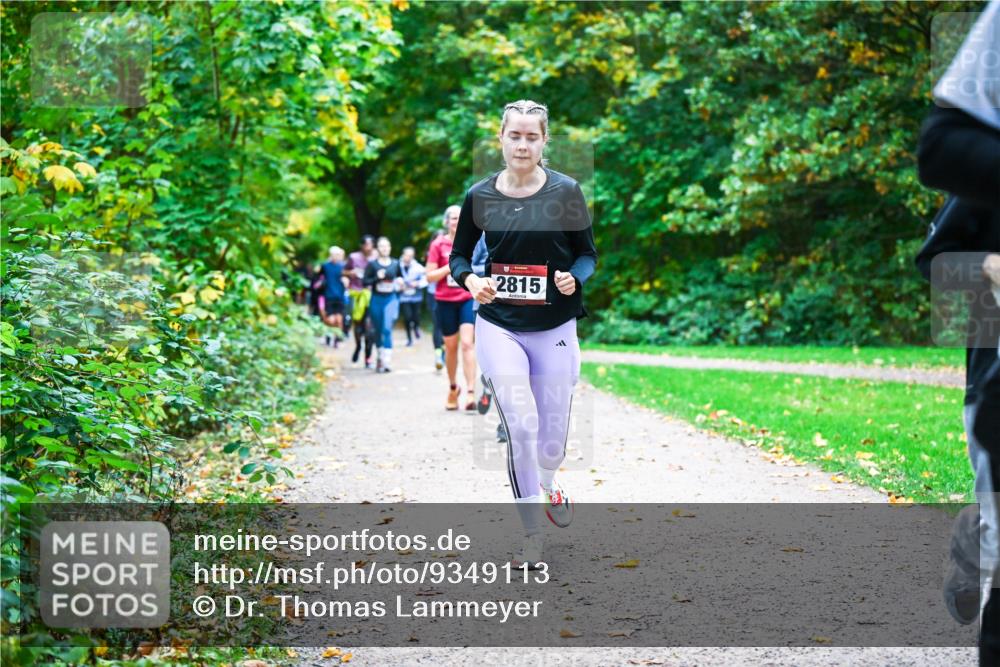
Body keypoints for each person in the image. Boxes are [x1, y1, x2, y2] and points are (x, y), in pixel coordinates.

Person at [449, 100, 597, 568]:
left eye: (532, 136)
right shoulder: (480, 196)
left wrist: (575, 277)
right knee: (521, 424)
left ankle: (549, 482)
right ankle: (531, 535)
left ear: (544, 141)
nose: (523, 144)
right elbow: (458, 259)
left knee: (551, 437)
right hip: (499, 324)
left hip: (555, 324)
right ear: (501, 138)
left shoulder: (566, 191)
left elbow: (587, 254)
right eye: (515, 135)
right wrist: (472, 281)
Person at [916, 3, 1000, 663]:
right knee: (986, 418)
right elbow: (942, 149)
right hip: (971, 261)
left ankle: (981, 532)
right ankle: (983, 533)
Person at [427, 206, 478, 410]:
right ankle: (453, 387)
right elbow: (429, 276)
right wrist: (452, 266)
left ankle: (471, 392)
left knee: (467, 343)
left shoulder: (474, 242)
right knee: (451, 347)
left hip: (466, 297)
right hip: (445, 300)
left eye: (461, 218)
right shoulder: (438, 244)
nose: (458, 221)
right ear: (447, 222)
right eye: (454, 218)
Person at [472, 232, 508, 444]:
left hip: (527, 310)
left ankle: (487, 385)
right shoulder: (482, 235)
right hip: (490, 309)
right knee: (502, 369)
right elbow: (467, 266)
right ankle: (505, 423)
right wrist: (491, 272)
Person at [363, 237, 404, 373]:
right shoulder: (372, 265)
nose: (384, 248)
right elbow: (365, 282)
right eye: (381, 246)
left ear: (390, 248)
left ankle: (387, 361)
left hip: (390, 299)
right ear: (377, 248)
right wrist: (377, 278)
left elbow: (400, 277)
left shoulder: (395, 263)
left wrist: (400, 282)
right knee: (378, 330)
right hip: (376, 299)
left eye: (386, 246)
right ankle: (380, 357)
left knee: (387, 329)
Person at [346, 235, 377, 368]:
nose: (368, 247)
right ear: (362, 246)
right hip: (357, 294)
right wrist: (351, 273)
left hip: (372, 295)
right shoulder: (353, 257)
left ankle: (368, 357)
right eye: (366, 245)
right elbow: (343, 272)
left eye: (371, 245)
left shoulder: (377, 257)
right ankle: (358, 346)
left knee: (370, 329)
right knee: (358, 327)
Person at [320, 246, 350, 347]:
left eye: (338, 255)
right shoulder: (325, 266)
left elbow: (349, 277)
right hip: (329, 295)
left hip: (340, 297)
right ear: (331, 255)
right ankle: (328, 336)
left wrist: (346, 281)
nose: (337, 257)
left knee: (339, 320)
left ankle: (336, 340)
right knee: (331, 320)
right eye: (335, 255)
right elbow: (318, 278)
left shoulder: (343, 267)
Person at [425, 229, 446, 370]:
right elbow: (428, 276)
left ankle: (445, 351)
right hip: (433, 294)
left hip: (450, 295)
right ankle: (438, 353)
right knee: (437, 324)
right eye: (437, 239)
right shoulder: (430, 254)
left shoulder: (452, 251)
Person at [399, 246, 428, 347]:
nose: (408, 257)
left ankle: (416, 327)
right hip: (404, 297)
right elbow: (393, 278)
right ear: (403, 255)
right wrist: (399, 285)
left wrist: (417, 283)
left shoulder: (418, 267)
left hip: (416, 297)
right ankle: (409, 339)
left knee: (415, 316)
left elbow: (426, 279)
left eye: (411, 255)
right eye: (407, 255)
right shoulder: (398, 266)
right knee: (407, 317)